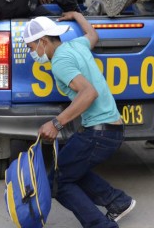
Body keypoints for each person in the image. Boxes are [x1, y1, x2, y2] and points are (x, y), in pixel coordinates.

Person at [23, 13, 135, 227]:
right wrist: (76, 15)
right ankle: (118, 201)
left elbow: (88, 93)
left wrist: (56, 123)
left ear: (43, 41)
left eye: (31, 47)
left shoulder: (60, 61)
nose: (32, 53)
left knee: (57, 182)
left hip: (99, 133)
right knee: (69, 168)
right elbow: (92, 35)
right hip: (111, 129)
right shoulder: (76, 45)